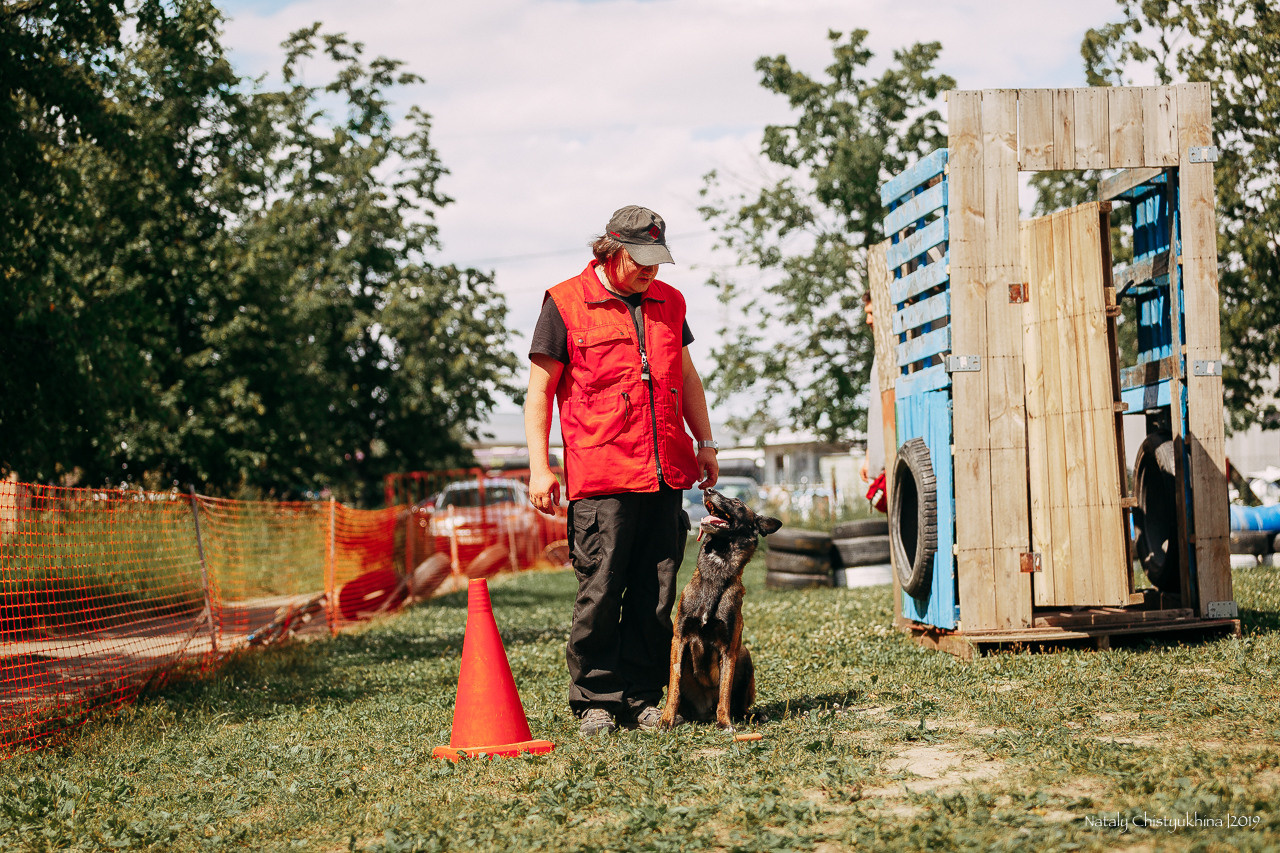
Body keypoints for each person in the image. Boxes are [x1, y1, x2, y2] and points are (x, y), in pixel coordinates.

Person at [524, 205, 719, 736]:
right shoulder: (564, 303)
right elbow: (540, 391)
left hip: (664, 474)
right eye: (641, 261)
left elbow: (686, 374)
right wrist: (540, 467)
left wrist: (705, 441)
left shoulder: (671, 302)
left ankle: (641, 697)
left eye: (659, 260)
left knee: (656, 596)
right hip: (601, 475)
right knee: (601, 592)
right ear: (610, 251)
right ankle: (595, 699)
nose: (652, 271)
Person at [859, 290, 886, 495]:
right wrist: (869, 456)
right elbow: (876, 410)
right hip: (881, 464)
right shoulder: (879, 354)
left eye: (872, 312)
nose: (868, 320)